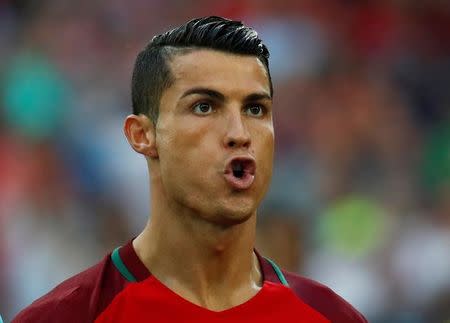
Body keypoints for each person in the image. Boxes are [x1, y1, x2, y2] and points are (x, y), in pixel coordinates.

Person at [12, 16, 367, 322]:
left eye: (255, 109)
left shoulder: (332, 318)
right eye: (204, 107)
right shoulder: (65, 318)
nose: (238, 133)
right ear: (143, 136)